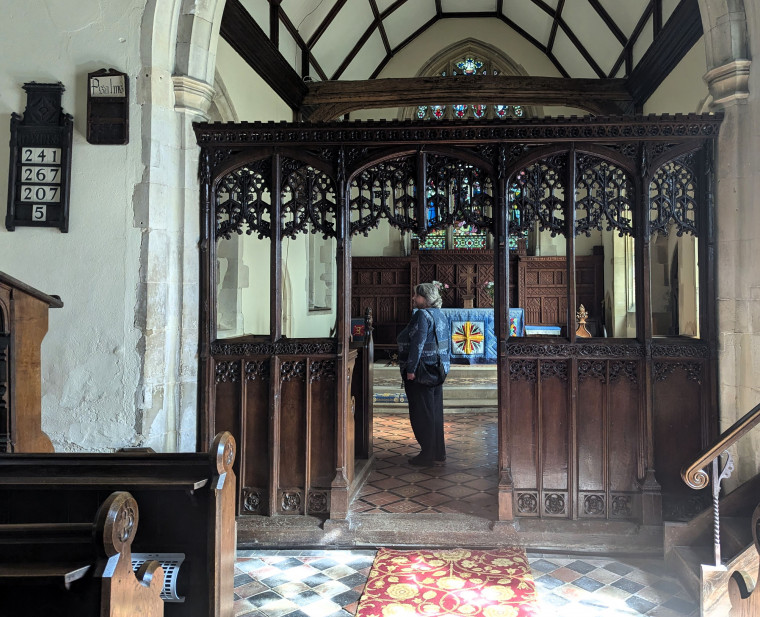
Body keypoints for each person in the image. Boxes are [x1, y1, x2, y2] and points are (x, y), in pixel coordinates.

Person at [396, 282, 450, 467]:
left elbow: (417, 345)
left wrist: (411, 370)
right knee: (434, 412)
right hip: (437, 370)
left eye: (416, 296)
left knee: (422, 413)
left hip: (421, 372)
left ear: (425, 299)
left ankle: (427, 454)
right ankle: (438, 452)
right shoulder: (440, 314)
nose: (413, 298)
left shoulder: (422, 315)